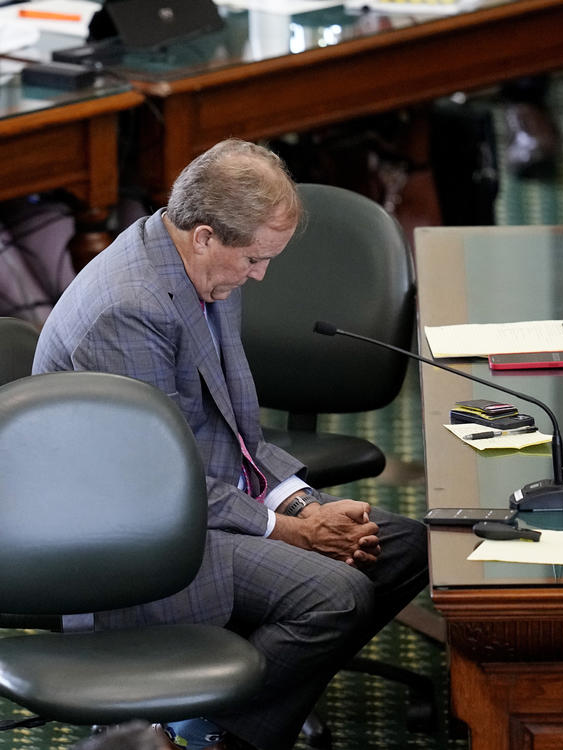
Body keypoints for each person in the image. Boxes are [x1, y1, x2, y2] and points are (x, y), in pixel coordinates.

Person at [33, 139, 429, 750]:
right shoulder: (128, 311)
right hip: (134, 536)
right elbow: (157, 485)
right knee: (337, 594)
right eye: (254, 259)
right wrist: (291, 531)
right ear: (204, 235)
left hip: (195, 492)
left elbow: (235, 427)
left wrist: (301, 504)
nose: (261, 275)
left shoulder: (202, 268)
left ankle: (223, 714)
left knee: (399, 546)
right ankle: (217, 736)